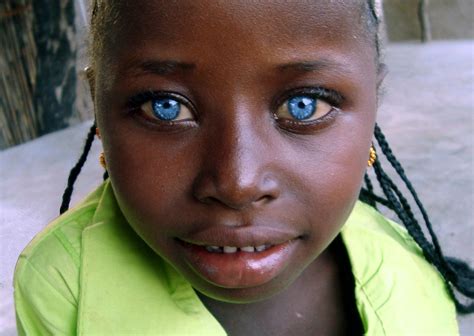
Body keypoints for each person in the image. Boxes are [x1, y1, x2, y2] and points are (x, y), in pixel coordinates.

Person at [13, 1, 473, 335]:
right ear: (98, 103)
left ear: (374, 98)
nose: (237, 182)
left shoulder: (413, 277)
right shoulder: (62, 282)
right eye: (166, 107)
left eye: (304, 104)